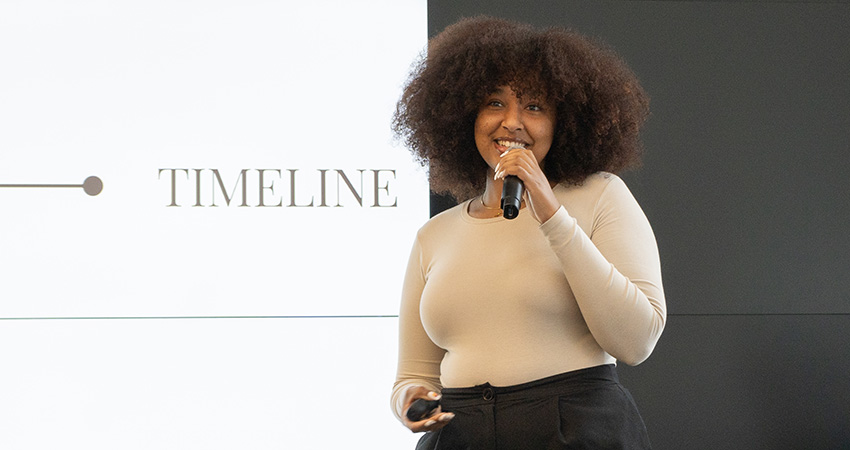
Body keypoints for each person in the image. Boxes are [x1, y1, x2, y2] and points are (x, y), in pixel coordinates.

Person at [391, 16, 666, 450]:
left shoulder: (600, 196)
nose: (512, 122)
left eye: (534, 106)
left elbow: (636, 340)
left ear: (563, 122)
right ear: (465, 116)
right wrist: (409, 401)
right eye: (494, 103)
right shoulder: (434, 236)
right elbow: (414, 376)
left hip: (573, 429)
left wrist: (552, 213)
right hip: (460, 436)